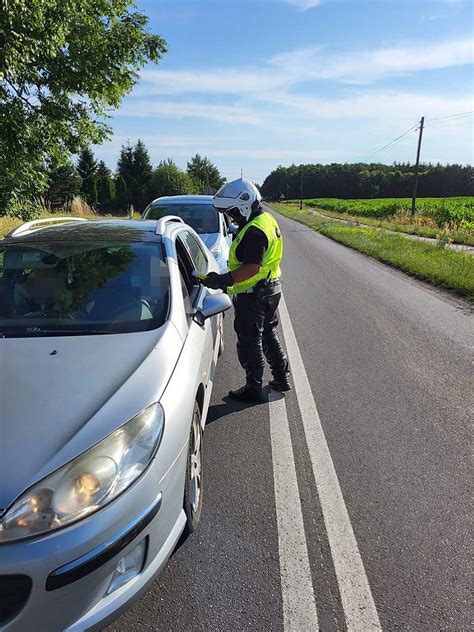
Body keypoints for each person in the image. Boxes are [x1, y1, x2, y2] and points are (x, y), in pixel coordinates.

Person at [202, 178, 290, 403]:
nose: (232, 217)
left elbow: (252, 267)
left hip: (254, 294)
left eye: (233, 213)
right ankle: (281, 378)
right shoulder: (265, 219)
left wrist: (224, 280)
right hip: (271, 289)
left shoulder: (254, 232)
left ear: (243, 204)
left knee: (250, 341)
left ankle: (254, 387)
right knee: (269, 333)